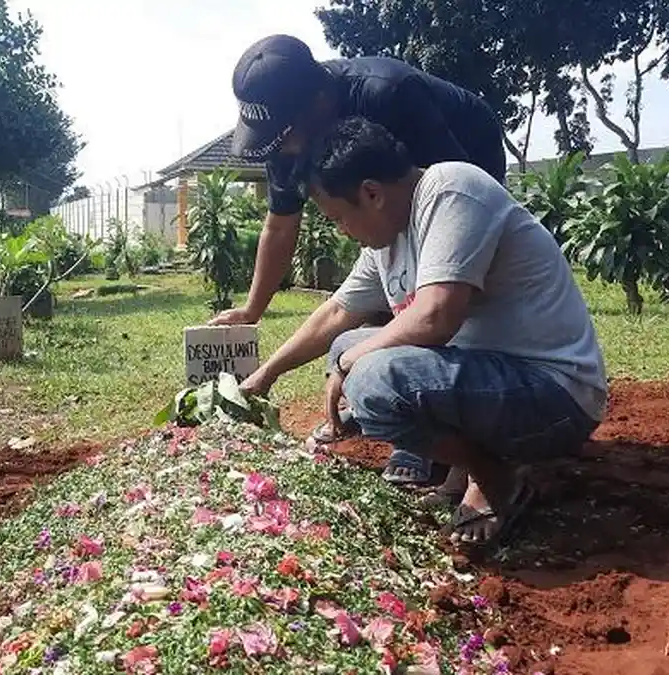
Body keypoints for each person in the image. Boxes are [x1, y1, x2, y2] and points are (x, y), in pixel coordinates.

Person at [240, 117, 608, 547]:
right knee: (349, 342)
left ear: (371, 194)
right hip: (495, 382)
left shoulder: (451, 189)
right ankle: (467, 470)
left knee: (373, 379)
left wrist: (349, 365)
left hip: (553, 394)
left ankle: (495, 477)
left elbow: (436, 317)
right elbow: (336, 312)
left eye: (338, 217)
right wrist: (265, 376)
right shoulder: (387, 239)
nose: (342, 230)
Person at [214, 33, 508, 491]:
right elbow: (280, 224)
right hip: (393, 197)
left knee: (432, 282)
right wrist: (253, 312)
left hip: (465, 150)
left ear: (318, 101)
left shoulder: (386, 95)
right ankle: (401, 400)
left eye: (286, 135)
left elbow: (452, 197)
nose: (283, 149)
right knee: (381, 286)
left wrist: (363, 357)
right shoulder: (284, 136)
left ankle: (447, 438)